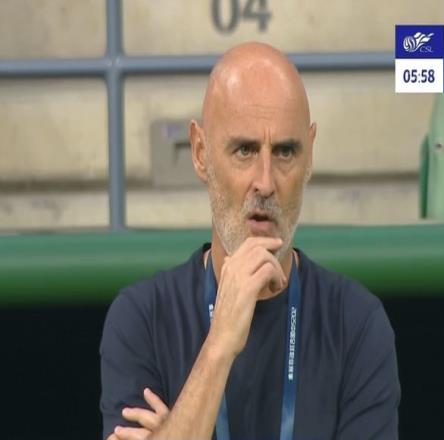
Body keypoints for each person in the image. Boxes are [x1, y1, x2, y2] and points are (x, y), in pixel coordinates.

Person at [100, 42, 400, 440]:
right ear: (201, 153)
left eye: (285, 152)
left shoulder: (357, 325)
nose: (265, 182)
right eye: (244, 150)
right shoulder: (141, 319)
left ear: (310, 156)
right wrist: (219, 344)